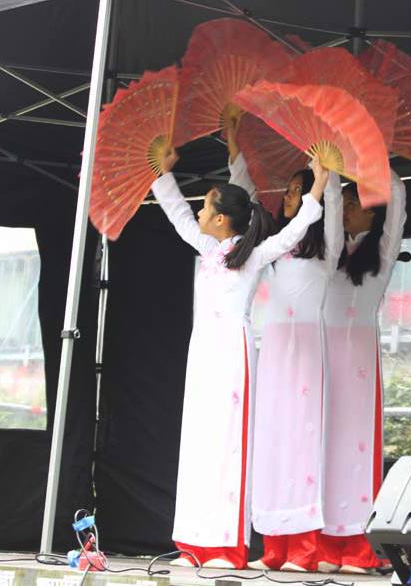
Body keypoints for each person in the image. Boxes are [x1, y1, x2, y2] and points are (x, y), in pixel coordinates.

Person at [152, 147, 329, 569]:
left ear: (221, 219)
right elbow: (177, 214)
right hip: (203, 351)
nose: (198, 212)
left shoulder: (252, 255)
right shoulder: (206, 247)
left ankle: (228, 549)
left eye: (205, 206)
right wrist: (162, 174)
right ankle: (195, 543)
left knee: (229, 445)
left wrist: (319, 186)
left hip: (234, 353)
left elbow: (292, 234)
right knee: (200, 443)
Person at [228, 143, 344, 572]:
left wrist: (326, 176)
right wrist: (236, 152)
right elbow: (243, 205)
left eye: (298, 189)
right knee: (273, 445)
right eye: (291, 190)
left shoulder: (328, 248)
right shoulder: (274, 248)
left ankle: (305, 550)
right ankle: (274, 547)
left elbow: (332, 209)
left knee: (303, 447)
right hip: (274, 352)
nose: (290, 196)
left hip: (308, 355)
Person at [318, 170, 406, 574]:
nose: (346, 210)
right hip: (324, 360)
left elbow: (397, 205)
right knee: (322, 449)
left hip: (359, 366)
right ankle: (322, 546)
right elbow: (330, 206)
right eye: (345, 203)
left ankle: (356, 549)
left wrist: (378, 167)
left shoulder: (382, 254)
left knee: (356, 450)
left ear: (372, 211)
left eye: (354, 204)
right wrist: (332, 173)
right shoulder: (329, 252)